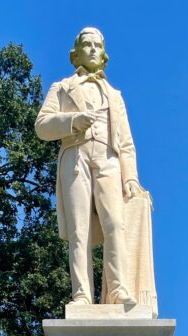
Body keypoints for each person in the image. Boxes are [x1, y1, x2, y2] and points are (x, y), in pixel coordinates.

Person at [35, 27, 146, 310]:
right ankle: (82, 294)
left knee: (116, 226)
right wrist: (73, 120)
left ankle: (119, 290)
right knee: (79, 230)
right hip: (75, 157)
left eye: (98, 45)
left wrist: (131, 177)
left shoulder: (115, 94)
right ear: (76, 53)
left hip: (109, 160)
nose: (94, 49)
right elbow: (42, 126)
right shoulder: (61, 87)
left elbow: (126, 141)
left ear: (104, 53)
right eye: (88, 44)